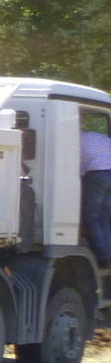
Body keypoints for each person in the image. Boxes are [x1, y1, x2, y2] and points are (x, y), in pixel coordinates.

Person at [81, 111, 111, 262]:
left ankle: (103, 257)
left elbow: (73, 164)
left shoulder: (74, 139)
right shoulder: (97, 136)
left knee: (92, 217)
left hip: (97, 174)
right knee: (104, 217)